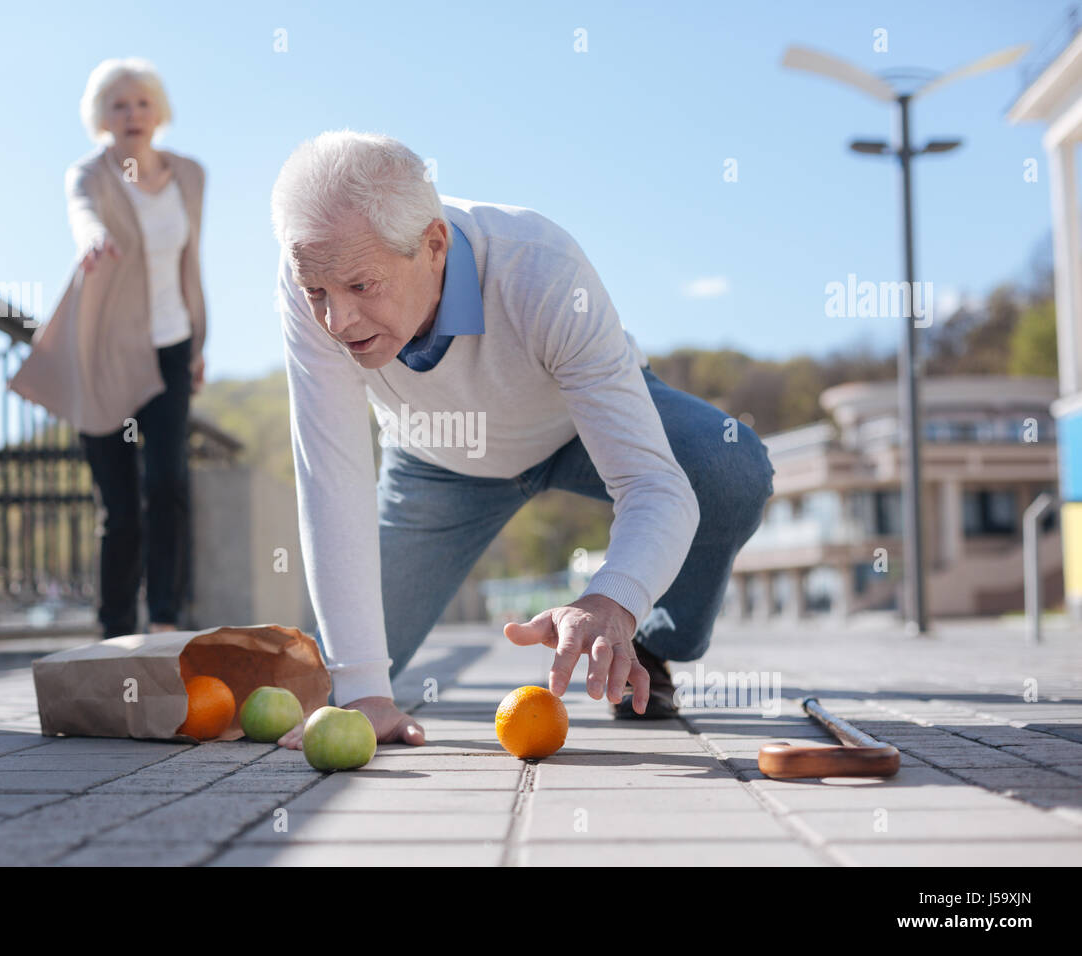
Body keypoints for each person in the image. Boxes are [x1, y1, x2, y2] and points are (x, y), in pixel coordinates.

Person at [270, 130, 775, 749]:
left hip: (574, 428)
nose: (337, 321)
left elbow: (653, 485)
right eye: (317, 292)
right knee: (317, 682)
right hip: (437, 460)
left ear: (433, 244)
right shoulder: (317, 268)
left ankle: (651, 640)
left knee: (729, 464)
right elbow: (332, 476)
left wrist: (613, 599)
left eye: (361, 287)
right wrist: (366, 692)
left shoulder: (541, 267)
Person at [8, 58, 207, 637]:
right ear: (102, 117)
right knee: (120, 508)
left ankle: (166, 620)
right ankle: (115, 629)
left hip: (171, 345)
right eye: (118, 105)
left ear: (158, 111)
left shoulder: (191, 175)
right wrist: (92, 237)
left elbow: (193, 263)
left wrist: (199, 339)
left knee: (167, 484)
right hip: (102, 353)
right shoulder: (89, 173)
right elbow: (83, 213)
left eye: (142, 102)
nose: (132, 114)